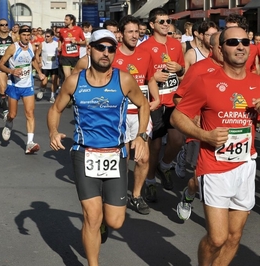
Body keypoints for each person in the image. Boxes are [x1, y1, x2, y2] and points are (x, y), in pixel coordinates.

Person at [171, 26, 260, 266]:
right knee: (217, 238)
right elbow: (177, 116)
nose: (240, 46)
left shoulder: (258, 83)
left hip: (246, 165)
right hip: (214, 166)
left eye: (245, 42)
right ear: (220, 48)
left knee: (234, 236)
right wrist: (204, 135)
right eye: (233, 42)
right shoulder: (206, 81)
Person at [47, 29, 150, 266]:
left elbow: (143, 105)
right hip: (84, 154)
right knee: (91, 217)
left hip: (116, 154)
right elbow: (55, 109)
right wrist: (53, 131)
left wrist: (141, 136)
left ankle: (104, 221)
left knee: (115, 221)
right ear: (90, 49)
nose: (106, 53)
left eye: (111, 49)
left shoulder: (123, 79)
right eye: (101, 48)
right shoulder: (75, 81)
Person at [112, 15, 160, 215]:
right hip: (120, 115)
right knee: (123, 157)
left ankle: (137, 195)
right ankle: (119, 194)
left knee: (142, 158)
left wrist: (156, 98)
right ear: (121, 34)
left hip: (141, 113)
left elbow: (150, 79)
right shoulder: (112, 55)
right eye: (130, 32)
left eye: (137, 31)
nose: (135, 35)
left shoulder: (146, 54)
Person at [173, 32, 223, 220]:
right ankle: (189, 195)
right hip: (201, 131)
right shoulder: (199, 69)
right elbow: (178, 97)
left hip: (229, 134)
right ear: (213, 47)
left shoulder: (237, 70)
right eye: (222, 45)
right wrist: (193, 117)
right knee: (199, 177)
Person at [139, 7, 185, 200]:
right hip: (155, 102)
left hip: (173, 101)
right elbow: (139, 77)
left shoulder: (176, 45)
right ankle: (149, 181)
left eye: (168, 21)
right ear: (152, 25)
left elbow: (183, 74)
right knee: (155, 146)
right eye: (162, 22)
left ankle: (164, 166)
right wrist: (152, 77)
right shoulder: (145, 47)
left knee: (177, 140)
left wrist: (180, 68)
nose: (166, 25)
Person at [0, 26, 45, 154]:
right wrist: (12, 71)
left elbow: (33, 61)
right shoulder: (13, 47)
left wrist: (39, 73)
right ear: (19, 35)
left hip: (28, 85)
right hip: (14, 85)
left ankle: (30, 143)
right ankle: (8, 124)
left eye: (28, 35)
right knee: (13, 114)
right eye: (23, 35)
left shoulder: (32, 47)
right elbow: (0, 64)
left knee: (30, 113)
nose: (26, 37)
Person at [58, 14, 86, 79]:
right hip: (65, 56)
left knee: (74, 76)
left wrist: (76, 42)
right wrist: (59, 46)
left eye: (66, 20)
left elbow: (85, 42)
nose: (64, 21)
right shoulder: (62, 30)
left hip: (75, 56)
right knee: (67, 77)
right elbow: (60, 40)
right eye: (65, 19)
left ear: (71, 21)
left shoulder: (78, 29)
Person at [36, 29, 59, 103]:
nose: (46, 38)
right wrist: (39, 62)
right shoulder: (42, 44)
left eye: (48, 36)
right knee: (44, 82)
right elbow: (37, 54)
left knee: (54, 81)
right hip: (45, 66)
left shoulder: (56, 43)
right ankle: (42, 90)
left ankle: (52, 96)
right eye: (45, 36)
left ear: (52, 36)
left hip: (54, 65)